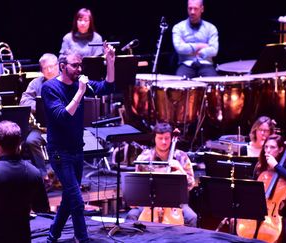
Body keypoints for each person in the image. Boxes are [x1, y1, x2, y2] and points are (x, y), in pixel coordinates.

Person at [42, 43, 115, 243]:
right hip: (58, 152)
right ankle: (83, 240)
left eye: (80, 65)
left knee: (68, 198)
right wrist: (80, 92)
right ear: (63, 65)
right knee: (76, 200)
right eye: (75, 65)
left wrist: (110, 61)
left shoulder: (79, 84)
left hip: (76, 150)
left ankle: (52, 236)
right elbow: (63, 116)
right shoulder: (49, 88)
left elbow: (107, 86)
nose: (79, 69)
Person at [126, 123, 197, 227]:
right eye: (160, 138)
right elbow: (137, 186)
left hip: (175, 203)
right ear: (154, 138)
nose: (163, 142)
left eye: (167, 138)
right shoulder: (144, 158)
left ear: (171, 138)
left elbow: (190, 185)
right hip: (149, 203)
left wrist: (180, 169)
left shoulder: (181, 157)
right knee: (132, 215)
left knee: (191, 217)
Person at [253, 134, 286, 243]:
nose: (268, 151)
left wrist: (276, 166)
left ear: (280, 149)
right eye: (266, 147)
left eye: (272, 147)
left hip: (284, 211)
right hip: (261, 208)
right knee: (237, 223)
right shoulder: (261, 165)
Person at [20, 53, 59, 181]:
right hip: (42, 127)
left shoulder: (66, 82)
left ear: (58, 66)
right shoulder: (35, 83)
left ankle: (57, 172)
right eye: (45, 68)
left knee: (61, 144)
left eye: (52, 66)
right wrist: (38, 107)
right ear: (41, 70)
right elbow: (24, 101)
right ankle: (43, 175)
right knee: (31, 141)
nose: (49, 70)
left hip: (61, 127)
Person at [172, 0, 219, 79]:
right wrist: (202, 45)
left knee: (213, 83)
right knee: (179, 83)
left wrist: (194, 50)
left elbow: (214, 50)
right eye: (190, 8)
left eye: (195, 9)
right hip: (186, 64)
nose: (192, 12)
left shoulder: (211, 28)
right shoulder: (178, 27)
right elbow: (179, 48)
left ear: (202, 9)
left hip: (206, 64)